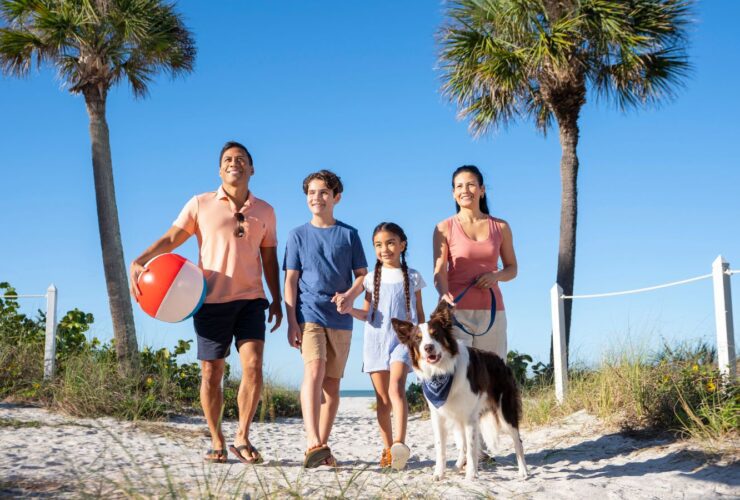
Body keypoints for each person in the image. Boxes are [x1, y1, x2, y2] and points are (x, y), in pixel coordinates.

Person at [129, 141, 282, 465]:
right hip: (209, 301)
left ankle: (242, 436)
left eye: (241, 159)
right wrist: (141, 259)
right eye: (227, 159)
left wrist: (277, 299)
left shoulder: (266, 211)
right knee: (212, 373)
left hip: (251, 299)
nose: (234, 163)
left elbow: (269, 259)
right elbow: (172, 239)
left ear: (252, 169)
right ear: (219, 169)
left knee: (253, 367)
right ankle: (217, 439)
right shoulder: (200, 204)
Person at [283, 170, 368, 468]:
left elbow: (362, 277)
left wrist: (349, 296)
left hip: (341, 319)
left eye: (323, 192)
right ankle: (311, 441)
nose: (316, 198)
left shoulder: (350, 235)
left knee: (332, 387)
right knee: (314, 370)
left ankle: (321, 447)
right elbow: (290, 281)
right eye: (311, 193)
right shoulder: (296, 235)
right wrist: (292, 320)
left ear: (336, 197)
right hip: (309, 314)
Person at [341, 222, 425, 470]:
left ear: (402, 245)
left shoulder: (414, 277)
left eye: (390, 242)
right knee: (382, 400)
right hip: (375, 341)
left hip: (403, 340)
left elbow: (420, 314)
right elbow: (367, 314)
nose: (384, 249)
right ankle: (388, 448)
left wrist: (423, 342)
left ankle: (400, 444)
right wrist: (349, 309)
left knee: (396, 389)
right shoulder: (369, 279)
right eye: (378, 245)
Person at [432, 165, 517, 358]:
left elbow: (513, 269)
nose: (465, 190)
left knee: (493, 375)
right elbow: (439, 271)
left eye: (471, 185)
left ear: (482, 189)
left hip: (492, 312)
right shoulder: (444, 227)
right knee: (460, 376)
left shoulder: (501, 227)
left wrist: (496, 275)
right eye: (459, 186)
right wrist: (443, 294)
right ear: (453, 193)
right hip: (456, 312)